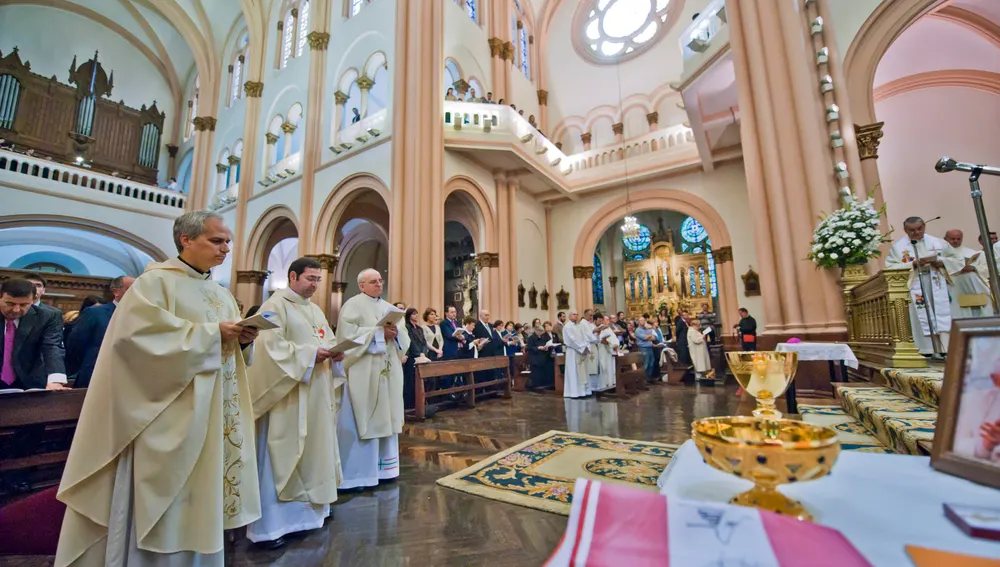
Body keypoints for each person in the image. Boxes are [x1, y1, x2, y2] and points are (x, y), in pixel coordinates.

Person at [55, 210, 261, 566]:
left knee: (204, 499)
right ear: (186, 239)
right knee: (165, 501)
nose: (226, 248)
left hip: (213, 417)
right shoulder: (153, 285)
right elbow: (136, 343)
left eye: (227, 241)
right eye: (216, 240)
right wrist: (212, 335)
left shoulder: (222, 294)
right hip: (166, 416)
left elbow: (227, 355)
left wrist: (242, 341)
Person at [246, 257, 345, 548]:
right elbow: (268, 349)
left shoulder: (315, 310)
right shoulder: (274, 306)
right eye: (310, 278)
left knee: (315, 452)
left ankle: (310, 516)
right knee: (283, 454)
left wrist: (336, 353)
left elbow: (328, 340)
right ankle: (272, 528)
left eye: (318, 279)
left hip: (316, 395)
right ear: (292, 276)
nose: (315, 284)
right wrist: (310, 354)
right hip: (287, 398)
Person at [335, 268, 409, 489]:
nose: (379, 284)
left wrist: (396, 334)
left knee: (387, 416)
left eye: (380, 280)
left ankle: (387, 469)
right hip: (364, 372)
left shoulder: (389, 308)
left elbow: (403, 339)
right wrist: (378, 334)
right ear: (362, 285)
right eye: (373, 281)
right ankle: (360, 475)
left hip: (388, 372)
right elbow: (346, 338)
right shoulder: (352, 305)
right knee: (364, 417)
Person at [885, 216, 951, 357]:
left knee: (940, 312)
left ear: (924, 227)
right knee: (922, 315)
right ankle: (927, 349)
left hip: (936, 281)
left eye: (919, 229)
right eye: (912, 230)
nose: (916, 232)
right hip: (915, 282)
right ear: (905, 230)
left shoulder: (938, 242)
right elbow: (890, 267)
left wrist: (940, 262)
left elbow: (954, 259)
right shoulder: (898, 248)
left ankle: (945, 348)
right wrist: (912, 264)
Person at [65, 277, 134, 389]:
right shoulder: (95, 313)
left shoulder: (143, 316)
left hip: (129, 378)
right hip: (95, 375)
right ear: (116, 291)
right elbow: (75, 343)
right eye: (132, 288)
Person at [0, 278, 67, 390]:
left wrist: (55, 380)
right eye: (10, 303)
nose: (16, 310)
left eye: (23, 305)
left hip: (30, 380)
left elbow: (52, 346)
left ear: (33, 300)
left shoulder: (47, 316)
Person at [944, 229, 994, 319]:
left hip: (972, 289)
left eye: (958, 239)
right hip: (953, 288)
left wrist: (974, 268)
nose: (956, 241)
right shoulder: (941, 254)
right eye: (952, 239)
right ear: (945, 239)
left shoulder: (973, 253)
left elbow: (987, 268)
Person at [403, 307, 430, 409]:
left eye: (417, 313)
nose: (416, 315)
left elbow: (424, 342)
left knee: (421, 380)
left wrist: (423, 352)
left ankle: (419, 402)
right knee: (411, 381)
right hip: (412, 357)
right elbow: (410, 342)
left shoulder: (419, 328)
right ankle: (409, 404)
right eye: (414, 314)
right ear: (409, 315)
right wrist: (418, 353)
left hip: (422, 356)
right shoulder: (407, 327)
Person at [561, 311, 591, 399]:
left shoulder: (579, 326)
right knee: (573, 371)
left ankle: (583, 391)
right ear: (569, 316)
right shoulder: (567, 326)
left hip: (581, 351)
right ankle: (574, 392)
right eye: (574, 314)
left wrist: (586, 346)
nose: (576, 316)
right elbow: (571, 340)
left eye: (577, 314)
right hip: (573, 352)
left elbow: (585, 337)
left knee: (582, 371)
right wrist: (582, 347)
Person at [594, 315, 619, 392]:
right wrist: (606, 342)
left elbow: (614, 337)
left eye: (608, 319)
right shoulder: (598, 328)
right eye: (606, 319)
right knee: (604, 367)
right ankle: (605, 385)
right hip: (602, 350)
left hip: (609, 350)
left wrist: (615, 344)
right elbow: (598, 339)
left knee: (610, 368)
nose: (608, 321)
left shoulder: (608, 328)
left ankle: (612, 384)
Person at [526, 324, 554, 390]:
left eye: (542, 331)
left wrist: (546, 348)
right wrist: (538, 348)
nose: (541, 333)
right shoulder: (531, 338)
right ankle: (535, 386)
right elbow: (529, 348)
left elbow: (545, 344)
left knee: (542, 372)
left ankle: (542, 385)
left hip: (542, 357)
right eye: (540, 331)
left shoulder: (542, 337)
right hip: (535, 358)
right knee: (536, 373)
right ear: (536, 330)